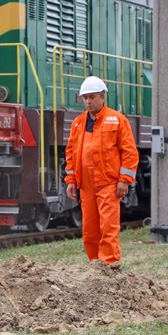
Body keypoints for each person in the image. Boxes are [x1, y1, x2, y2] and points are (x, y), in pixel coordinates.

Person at [64, 76, 139, 266]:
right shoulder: (78, 124)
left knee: (108, 227)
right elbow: (71, 153)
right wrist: (71, 180)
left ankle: (110, 266)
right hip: (86, 186)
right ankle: (94, 265)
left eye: (92, 97)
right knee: (89, 230)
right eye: (85, 98)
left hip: (109, 183)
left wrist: (124, 180)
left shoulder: (117, 120)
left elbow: (129, 152)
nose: (88, 102)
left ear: (103, 96)